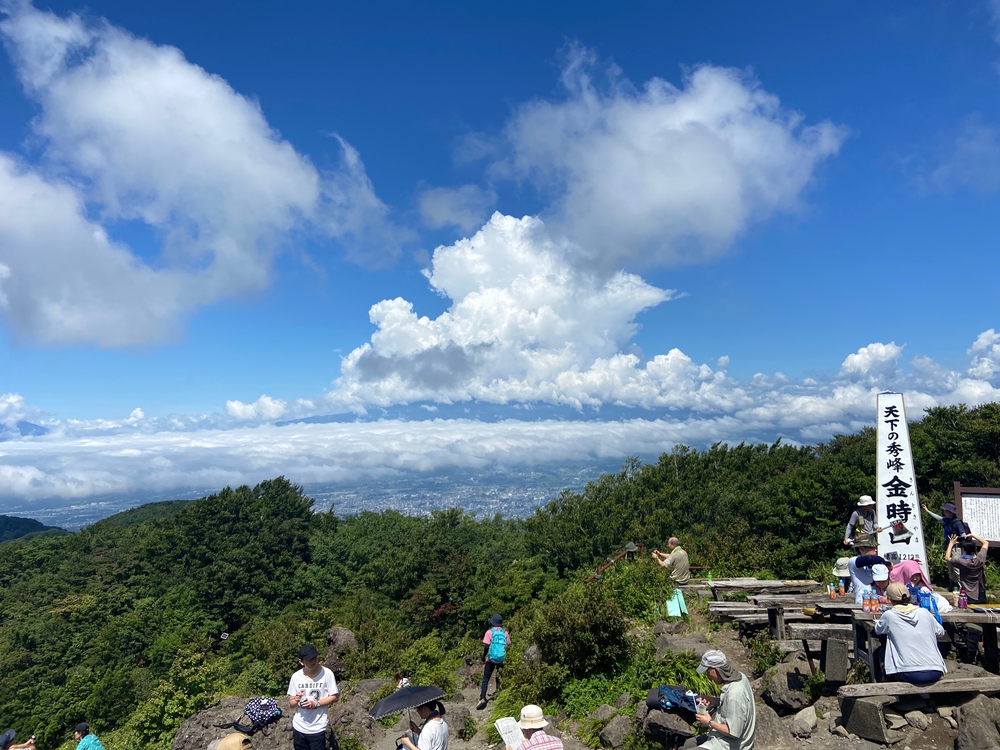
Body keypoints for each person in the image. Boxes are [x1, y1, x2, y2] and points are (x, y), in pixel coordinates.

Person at [874, 582, 946, 685]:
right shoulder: (924, 612)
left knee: (882, 651)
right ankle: (926, 697)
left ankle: (887, 685)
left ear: (889, 600)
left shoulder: (889, 615)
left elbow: (878, 630)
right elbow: (941, 632)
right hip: (936, 670)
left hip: (909, 672)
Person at [684, 650, 755, 750]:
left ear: (716, 669)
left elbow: (733, 733)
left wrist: (709, 722)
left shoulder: (734, 694)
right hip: (721, 737)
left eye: (708, 672)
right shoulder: (740, 677)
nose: (708, 677)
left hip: (731, 744)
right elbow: (733, 704)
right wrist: (713, 700)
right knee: (689, 744)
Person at [287, 644, 339, 750]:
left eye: (314, 657)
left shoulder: (327, 674)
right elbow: (291, 704)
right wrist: (296, 699)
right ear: (301, 662)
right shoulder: (296, 677)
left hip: (317, 728)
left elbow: (334, 697)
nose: (313, 661)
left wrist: (316, 703)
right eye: (309, 659)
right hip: (299, 727)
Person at [477, 614, 510, 710]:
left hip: (491, 659)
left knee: (486, 678)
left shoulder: (489, 632)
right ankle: (499, 693)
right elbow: (508, 646)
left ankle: (482, 697)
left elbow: (486, 646)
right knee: (499, 677)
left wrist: (483, 657)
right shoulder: (505, 633)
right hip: (502, 659)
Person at [947, 532, 990, 604]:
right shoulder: (980, 559)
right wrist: (973, 535)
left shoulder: (962, 562)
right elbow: (985, 543)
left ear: (964, 550)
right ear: (975, 548)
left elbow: (947, 557)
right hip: (980, 592)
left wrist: (951, 544)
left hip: (967, 594)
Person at [847, 536, 887, 605]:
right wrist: (884, 561)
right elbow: (869, 558)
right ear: (861, 549)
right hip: (862, 602)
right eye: (872, 548)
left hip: (875, 601)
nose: (876, 550)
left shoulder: (874, 564)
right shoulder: (852, 561)